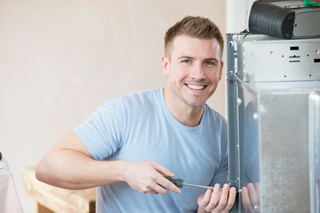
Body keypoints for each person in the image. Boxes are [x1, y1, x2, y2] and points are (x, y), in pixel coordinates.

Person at [36, 16, 236, 212]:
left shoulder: (224, 135)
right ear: (166, 65)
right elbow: (48, 167)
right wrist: (125, 171)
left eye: (209, 63)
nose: (198, 74)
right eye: (186, 61)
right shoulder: (124, 112)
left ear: (220, 70)